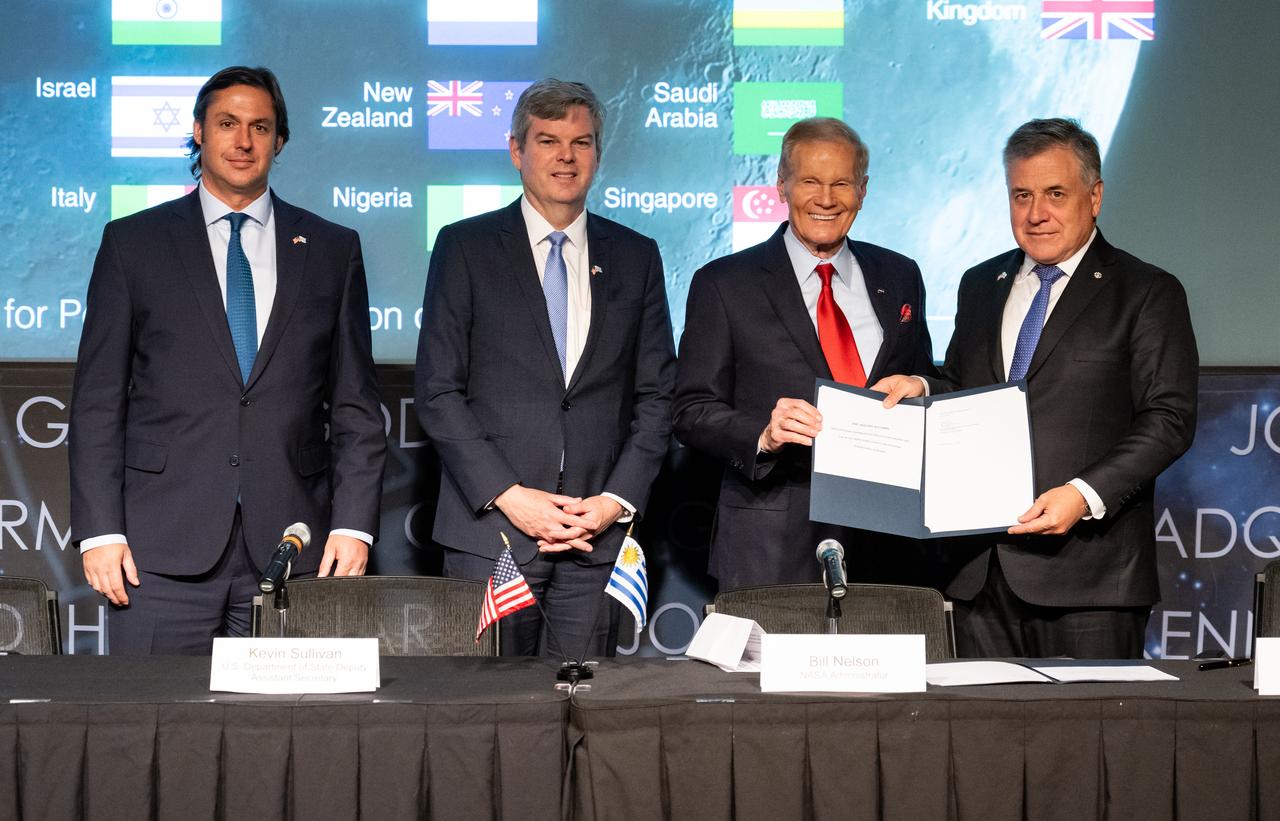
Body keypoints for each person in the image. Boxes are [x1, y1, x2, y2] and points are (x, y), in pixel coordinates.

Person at [69, 66, 387, 655]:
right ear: (198, 132)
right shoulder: (132, 243)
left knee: (281, 741)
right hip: (156, 551)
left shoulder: (332, 249)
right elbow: (96, 403)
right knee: (154, 733)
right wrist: (100, 532)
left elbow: (355, 407)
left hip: (295, 550)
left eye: (260, 127)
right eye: (227, 124)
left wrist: (353, 524)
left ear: (279, 141)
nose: (243, 141)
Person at [875, 118, 1198, 658]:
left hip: (1090, 579)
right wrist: (922, 386)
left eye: (1055, 193)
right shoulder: (980, 283)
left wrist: (1083, 494)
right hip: (979, 574)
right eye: (1021, 195)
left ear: (1094, 197)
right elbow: (965, 386)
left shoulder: (1146, 291)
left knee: (1091, 743)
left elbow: (1169, 418)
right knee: (979, 742)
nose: (1035, 213)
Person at [415, 79, 676, 657]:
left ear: (598, 155)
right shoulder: (465, 247)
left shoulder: (637, 256)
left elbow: (658, 399)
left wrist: (613, 502)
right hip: (494, 535)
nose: (566, 156)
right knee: (487, 722)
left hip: (596, 539)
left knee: (585, 718)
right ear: (516, 151)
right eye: (548, 140)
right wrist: (511, 496)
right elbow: (437, 392)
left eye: (581, 142)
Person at [673, 118, 937, 591]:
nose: (826, 199)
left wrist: (921, 385)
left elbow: (922, 374)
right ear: (781, 184)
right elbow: (691, 410)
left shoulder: (900, 274)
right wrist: (764, 435)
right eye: (810, 182)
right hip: (770, 542)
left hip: (889, 541)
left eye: (842, 183)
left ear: (863, 190)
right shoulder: (724, 283)